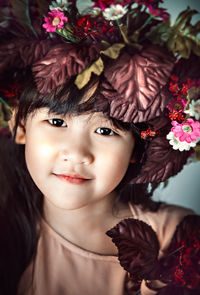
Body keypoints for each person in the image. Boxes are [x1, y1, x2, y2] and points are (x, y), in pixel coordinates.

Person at [0, 1, 200, 295]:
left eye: (105, 130)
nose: (77, 153)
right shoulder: (8, 237)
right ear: (21, 126)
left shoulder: (178, 244)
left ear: (136, 147)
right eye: (57, 122)